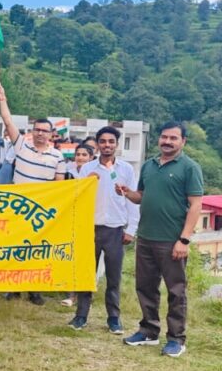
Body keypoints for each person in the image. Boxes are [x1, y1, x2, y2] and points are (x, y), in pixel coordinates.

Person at [117, 121, 203, 358]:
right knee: (145, 287)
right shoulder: (149, 166)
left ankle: (176, 339)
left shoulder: (189, 167)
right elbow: (140, 196)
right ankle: (148, 331)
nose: (167, 141)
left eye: (173, 138)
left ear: (183, 141)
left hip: (171, 240)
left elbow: (196, 205)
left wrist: (183, 240)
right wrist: (126, 192)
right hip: (146, 237)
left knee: (176, 291)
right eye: (164, 137)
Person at [0, 83, 65, 305]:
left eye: (45, 130)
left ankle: (35, 290)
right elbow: (7, 121)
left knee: (37, 251)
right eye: (37, 129)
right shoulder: (21, 146)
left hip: (40, 211)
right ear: (32, 131)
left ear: (52, 134)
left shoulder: (58, 157)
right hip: (18, 207)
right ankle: (12, 287)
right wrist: (2, 98)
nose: (41, 133)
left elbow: (59, 187)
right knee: (15, 248)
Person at [68, 127, 139, 332]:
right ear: (97, 145)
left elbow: (133, 200)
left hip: (115, 229)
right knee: (86, 274)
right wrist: (86, 181)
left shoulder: (126, 169)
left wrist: (131, 229)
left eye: (111, 141)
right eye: (103, 141)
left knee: (113, 277)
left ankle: (114, 318)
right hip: (90, 228)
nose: (107, 145)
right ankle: (81, 315)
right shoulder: (87, 168)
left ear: (116, 144)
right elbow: (78, 197)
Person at [61, 143, 96, 307]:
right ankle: (71, 294)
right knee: (72, 256)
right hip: (72, 219)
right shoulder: (68, 175)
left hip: (91, 219)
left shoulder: (94, 175)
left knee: (88, 258)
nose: (80, 157)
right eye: (78, 154)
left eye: (84, 155)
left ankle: (86, 290)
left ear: (91, 158)